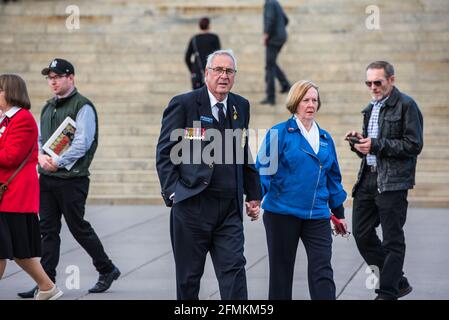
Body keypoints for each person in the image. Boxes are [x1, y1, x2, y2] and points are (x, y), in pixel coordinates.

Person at [156, 49, 262, 300]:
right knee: (189, 278)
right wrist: (174, 192)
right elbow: (165, 152)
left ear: (234, 75)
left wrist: (253, 193)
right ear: (206, 73)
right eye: (218, 70)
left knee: (234, 272)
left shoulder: (241, 105)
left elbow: (242, 149)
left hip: (229, 209)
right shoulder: (184, 104)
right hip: (192, 206)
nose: (223, 76)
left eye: (229, 71)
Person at [18, 58, 120, 298]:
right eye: (50, 78)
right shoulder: (47, 107)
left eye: (58, 77)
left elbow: (83, 142)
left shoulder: (83, 106)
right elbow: (40, 138)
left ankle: (107, 269)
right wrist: (42, 158)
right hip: (47, 177)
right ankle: (47, 282)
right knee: (47, 230)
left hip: (72, 179)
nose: (53, 82)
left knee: (78, 227)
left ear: (70, 78)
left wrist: (58, 162)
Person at [256, 80, 347, 300]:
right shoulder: (279, 133)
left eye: (315, 100)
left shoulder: (325, 138)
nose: (311, 104)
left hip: (316, 215)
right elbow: (263, 171)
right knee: (281, 274)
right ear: (296, 103)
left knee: (322, 271)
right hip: (282, 214)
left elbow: (333, 178)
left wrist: (340, 214)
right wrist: (254, 199)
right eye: (306, 99)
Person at [345, 61, 423, 300]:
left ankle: (387, 292)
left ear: (391, 80)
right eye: (368, 82)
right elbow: (372, 146)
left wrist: (376, 145)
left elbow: (413, 144)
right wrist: (360, 143)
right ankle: (397, 281)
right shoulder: (371, 107)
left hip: (393, 183)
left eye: (377, 82)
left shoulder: (407, 105)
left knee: (392, 239)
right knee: (361, 233)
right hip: (368, 179)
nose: (373, 87)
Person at [0, 74, 63, 300]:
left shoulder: (23, 119)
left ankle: (48, 287)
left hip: (14, 195)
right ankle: (47, 287)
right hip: (7, 195)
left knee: (9, 250)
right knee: (19, 251)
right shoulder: (6, 119)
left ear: (11, 92)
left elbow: (10, 157)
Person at [260, 0, 291, 106]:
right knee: (271, 64)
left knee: (269, 67)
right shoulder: (276, 3)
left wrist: (266, 34)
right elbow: (286, 20)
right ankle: (285, 85)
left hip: (273, 39)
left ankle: (271, 97)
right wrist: (280, 29)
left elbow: (270, 19)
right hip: (281, 37)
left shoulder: (269, 3)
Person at [185, 17, 221, 90]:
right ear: (209, 25)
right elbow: (218, 56)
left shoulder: (194, 39)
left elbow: (187, 57)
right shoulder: (214, 38)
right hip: (211, 72)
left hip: (197, 72)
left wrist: (193, 70)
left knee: (196, 98)